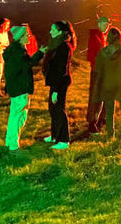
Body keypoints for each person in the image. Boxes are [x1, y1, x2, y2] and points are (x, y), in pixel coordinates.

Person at [3, 25, 47, 151]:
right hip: (20, 87)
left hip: (15, 87)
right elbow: (27, 64)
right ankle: (13, 145)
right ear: (20, 37)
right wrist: (40, 53)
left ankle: (10, 140)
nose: (29, 36)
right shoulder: (18, 51)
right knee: (19, 116)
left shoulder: (15, 50)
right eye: (26, 35)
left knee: (15, 115)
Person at [94, 27, 121, 139]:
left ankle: (110, 135)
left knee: (109, 112)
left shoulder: (103, 53)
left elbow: (98, 70)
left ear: (108, 38)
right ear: (120, 38)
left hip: (108, 85)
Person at [42, 21, 76, 150]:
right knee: (52, 108)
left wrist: (56, 89)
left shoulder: (64, 47)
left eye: (53, 30)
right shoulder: (57, 44)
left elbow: (61, 69)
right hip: (55, 82)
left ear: (61, 32)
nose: (50, 32)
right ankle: (55, 135)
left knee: (59, 109)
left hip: (60, 83)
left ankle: (64, 139)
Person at [86, 16, 110, 134]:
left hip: (104, 72)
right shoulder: (94, 37)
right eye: (104, 25)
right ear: (99, 24)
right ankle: (92, 123)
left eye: (107, 25)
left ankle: (101, 119)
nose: (106, 27)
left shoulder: (103, 37)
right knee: (95, 98)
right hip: (97, 72)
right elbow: (91, 56)